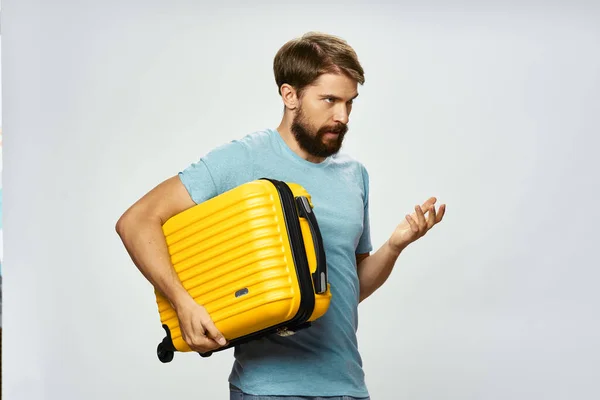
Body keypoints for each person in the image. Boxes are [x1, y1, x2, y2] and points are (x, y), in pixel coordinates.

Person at [116, 31, 446, 399]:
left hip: (347, 386)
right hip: (267, 389)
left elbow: (345, 289)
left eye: (350, 103)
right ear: (290, 95)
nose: (343, 116)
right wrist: (182, 301)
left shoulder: (355, 174)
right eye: (330, 100)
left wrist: (395, 246)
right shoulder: (243, 159)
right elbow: (136, 221)